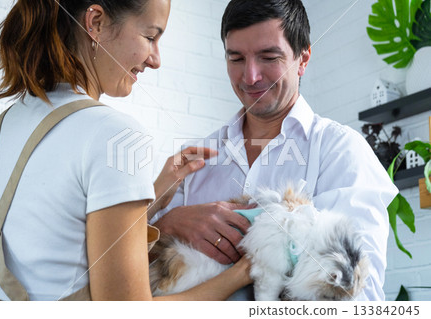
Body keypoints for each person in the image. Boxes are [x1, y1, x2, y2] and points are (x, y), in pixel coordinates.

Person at [0, 0, 252, 301]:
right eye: (150, 37)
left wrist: (156, 190)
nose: (156, 59)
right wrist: (241, 273)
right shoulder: (116, 133)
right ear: (95, 22)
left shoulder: (2, 128)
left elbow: (57, 244)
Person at [151, 0, 399, 301]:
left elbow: (360, 296)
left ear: (303, 58)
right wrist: (168, 223)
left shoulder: (341, 151)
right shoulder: (196, 161)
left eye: (269, 57)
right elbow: (139, 275)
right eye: (236, 58)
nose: (250, 76)